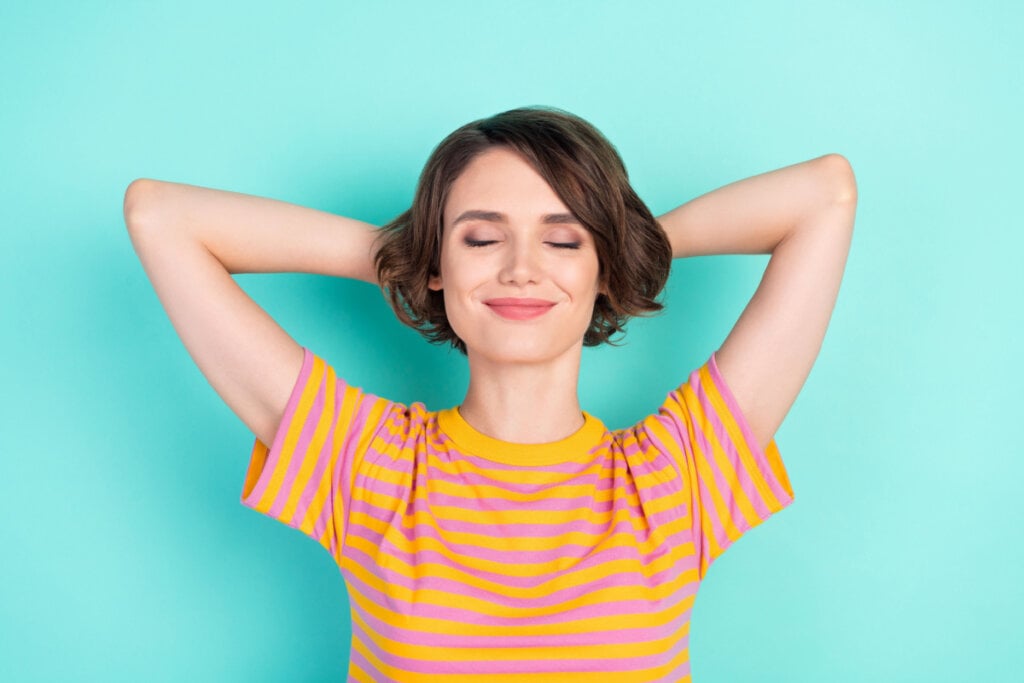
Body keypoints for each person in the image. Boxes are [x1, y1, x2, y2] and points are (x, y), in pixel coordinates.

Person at [124, 107, 856, 681]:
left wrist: (621, 250)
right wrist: (414, 256)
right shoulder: (367, 461)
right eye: (481, 239)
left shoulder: (676, 474)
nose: (521, 269)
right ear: (439, 260)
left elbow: (825, 193)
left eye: (562, 240)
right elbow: (159, 215)